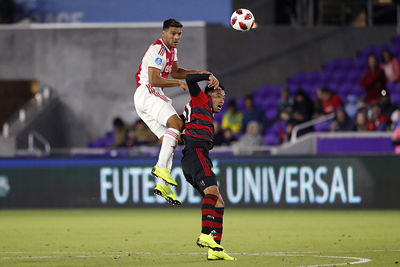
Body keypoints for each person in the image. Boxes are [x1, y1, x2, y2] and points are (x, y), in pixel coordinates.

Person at [133, 19, 218, 205]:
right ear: (164, 33)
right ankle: (161, 168)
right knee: (177, 124)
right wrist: (178, 84)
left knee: (170, 139)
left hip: (143, 99)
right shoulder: (158, 50)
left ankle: (162, 184)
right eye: (173, 33)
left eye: (179, 34)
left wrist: (203, 73)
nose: (177, 37)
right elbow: (155, 80)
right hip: (148, 92)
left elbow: (177, 71)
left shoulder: (172, 51)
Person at [181, 73, 235, 261]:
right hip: (195, 153)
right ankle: (205, 234)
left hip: (197, 155)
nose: (221, 100)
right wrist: (207, 75)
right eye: (218, 95)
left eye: (224, 98)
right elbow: (189, 80)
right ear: (209, 93)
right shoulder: (200, 99)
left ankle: (215, 250)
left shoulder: (204, 112)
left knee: (218, 202)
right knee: (212, 191)